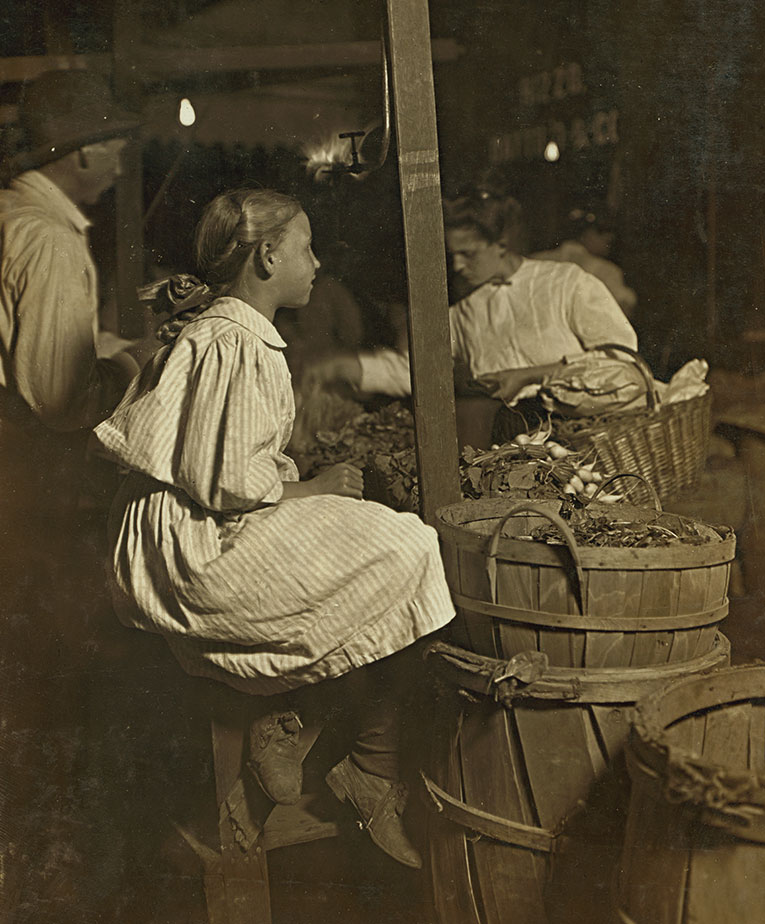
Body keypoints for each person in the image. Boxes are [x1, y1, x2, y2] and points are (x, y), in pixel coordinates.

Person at [93, 188, 456, 868]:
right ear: (267, 256)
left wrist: (304, 491)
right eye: (306, 248)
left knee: (368, 538)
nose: (316, 263)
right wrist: (309, 487)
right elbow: (227, 480)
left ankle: (291, 726)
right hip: (193, 548)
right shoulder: (234, 340)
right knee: (411, 546)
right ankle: (360, 760)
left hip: (180, 528)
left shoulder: (225, 328)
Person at [305, 188, 637, 445]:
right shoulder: (463, 312)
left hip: (595, 440)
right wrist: (351, 367)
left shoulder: (565, 283)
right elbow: (417, 370)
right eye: (453, 255)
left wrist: (528, 376)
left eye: (469, 254)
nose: (458, 266)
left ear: (502, 244)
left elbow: (622, 363)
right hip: (519, 444)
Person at [0, 69, 155, 564]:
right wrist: (137, 360)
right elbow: (59, 400)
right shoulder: (51, 241)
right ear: (87, 151)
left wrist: (102, 342)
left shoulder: (10, 214)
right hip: (25, 470)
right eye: (117, 150)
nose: (121, 168)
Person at [532, 205, 638, 318]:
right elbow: (622, 313)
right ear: (583, 233)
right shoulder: (606, 271)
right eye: (601, 230)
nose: (610, 237)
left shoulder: (535, 260)